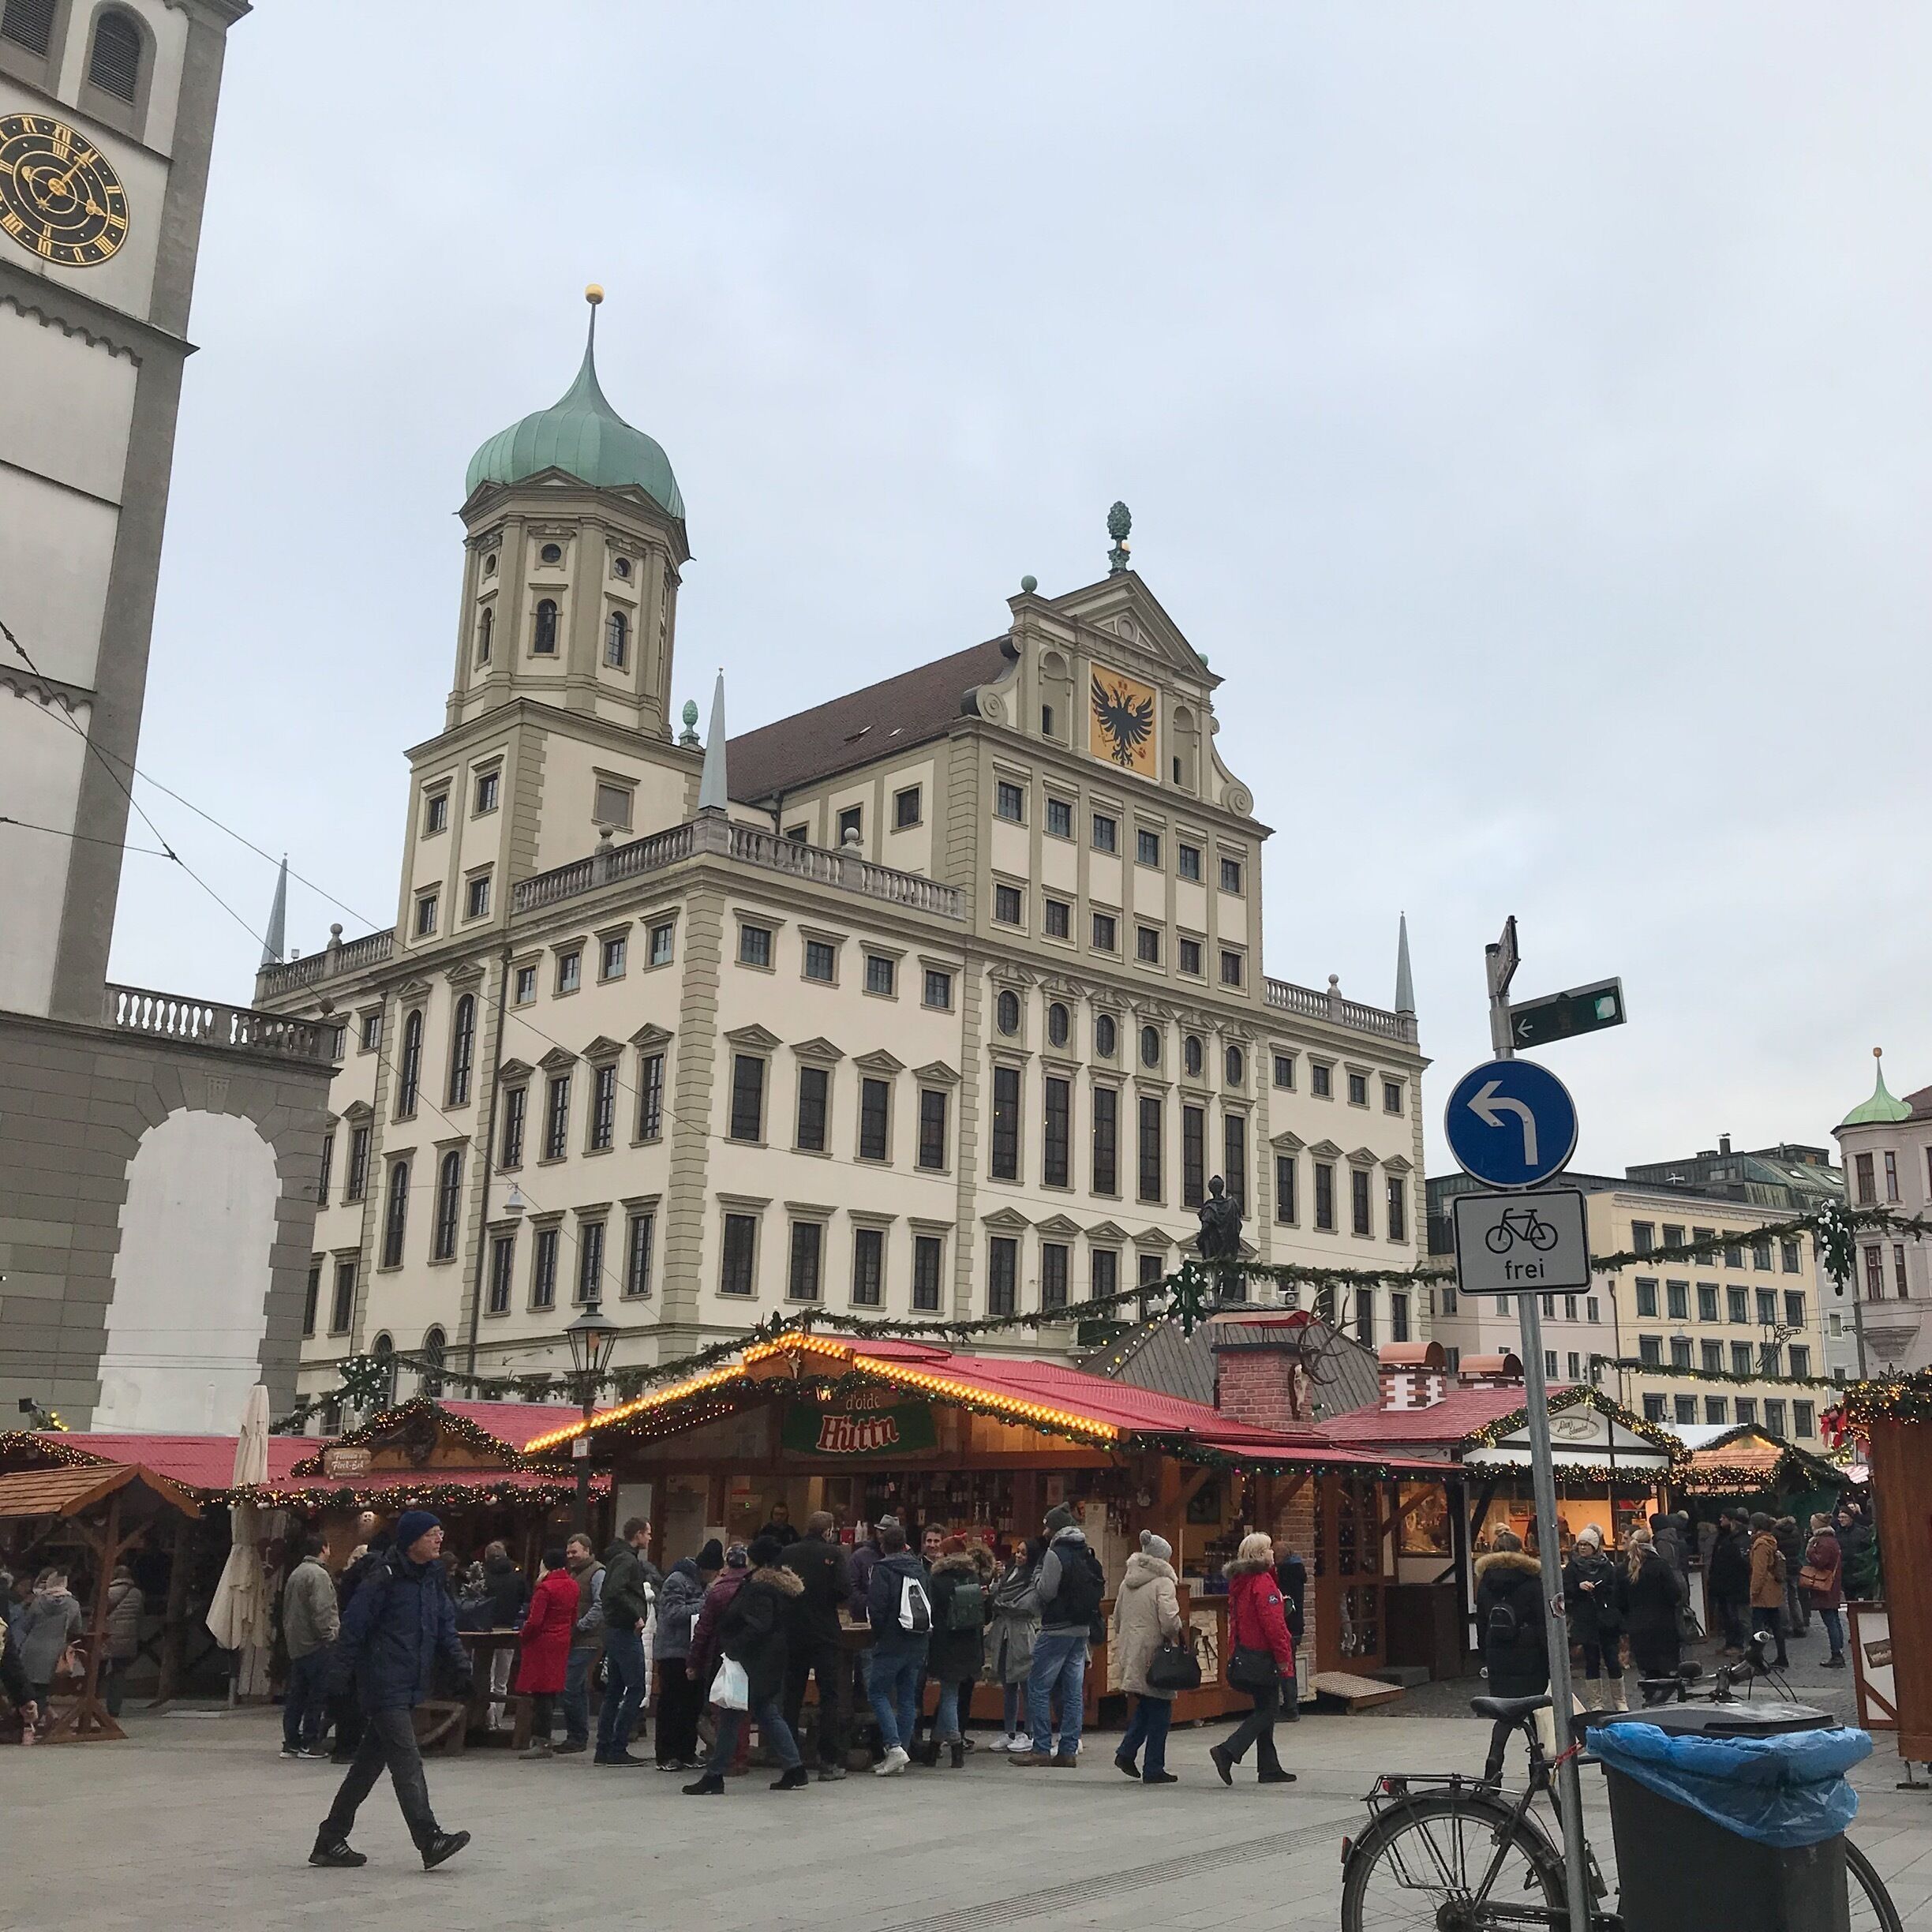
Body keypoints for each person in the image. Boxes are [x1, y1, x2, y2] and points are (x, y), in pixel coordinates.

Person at [311, 1510, 472, 1870]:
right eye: (432, 1533)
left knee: (367, 1766)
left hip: (408, 1681)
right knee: (406, 1760)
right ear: (412, 1540)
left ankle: (330, 1838)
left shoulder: (431, 1579)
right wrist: (339, 1675)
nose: (439, 1539)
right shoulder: (383, 1577)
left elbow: (444, 1626)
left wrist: (461, 1666)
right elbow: (354, 1627)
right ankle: (429, 1838)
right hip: (383, 1683)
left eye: (440, 1532)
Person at [683, 1535, 808, 1794]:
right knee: (766, 1712)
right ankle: (795, 1768)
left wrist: (734, 1646)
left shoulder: (761, 1587)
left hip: (753, 1661)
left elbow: (758, 1624)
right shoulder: (783, 1586)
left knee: (731, 1713)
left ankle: (715, 1775)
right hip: (769, 1660)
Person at [1013, 1503, 1102, 1768]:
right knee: (1073, 1691)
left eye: (1047, 1526)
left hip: (1056, 1628)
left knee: (1038, 1686)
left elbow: (1047, 1592)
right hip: (1081, 1629)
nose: (1044, 1531)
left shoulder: (1056, 1554)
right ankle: (1068, 1749)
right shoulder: (1085, 1551)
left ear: (1056, 1529)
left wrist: (1038, 1574)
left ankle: (1041, 1747)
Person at [1209, 1532, 1297, 1786]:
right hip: (1262, 1655)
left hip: (1245, 1653)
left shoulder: (1241, 1582)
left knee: (1264, 1708)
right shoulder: (1263, 1582)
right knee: (1268, 1710)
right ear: (1260, 1554)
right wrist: (1284, 1660)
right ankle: (1228, 1751)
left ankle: (1269, 1767)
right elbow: (1274, 1626)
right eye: (1269, 1549)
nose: (1273, 1553)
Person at [780, 1511, 854, 1781]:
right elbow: (844, 1590)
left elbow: (779, 1587)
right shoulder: (833, 1554)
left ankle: (788, 1756)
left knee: (792, 1694)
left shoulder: (787, 1553)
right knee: (830, 1696)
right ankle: (829, 1760)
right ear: (828, 1530)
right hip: (824, 1631)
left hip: (794, 1630)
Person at [1474, 1529, 1547, 1784]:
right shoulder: (1532, 1580)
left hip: (1498, 1655)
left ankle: (1494, 1760)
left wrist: (1486, 1656)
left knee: (1504, 1714)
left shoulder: (1486, 1581)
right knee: (1535, 1712)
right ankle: (1539, 1769)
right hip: (1529, 1655)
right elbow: (1542, 1622)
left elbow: (1482, 1622)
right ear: (1520, 1551)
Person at [1112, 1530, 1183, 1785]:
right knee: (1161, 1712)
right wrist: (1178, 1628)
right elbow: (1169, 1622)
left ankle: (1126, 1752)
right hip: (1154, 1654)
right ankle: (1153, 1767)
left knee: (1147, 1705)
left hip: (1132, 1651)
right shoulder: (1163, 1582)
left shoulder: (1126, 1581)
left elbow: (1117, 1618)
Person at [864, 1520, 932, 1775]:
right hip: (917, 1641)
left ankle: (894, 1748)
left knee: (877, 1692)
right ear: (905, 1545)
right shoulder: (918, 1568)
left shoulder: (883, 1569)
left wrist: (878, 1636)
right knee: (906, 1697)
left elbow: (878, 1608)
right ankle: (902, 1749)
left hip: (892, 1640)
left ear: (883, 1545)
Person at [654, 1539, 721, 1770]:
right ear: (706, 1569)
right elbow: (672, 1613)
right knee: (671, 1703)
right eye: (715, 1572)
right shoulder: (677, 1580)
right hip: (673, 1651)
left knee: (692, 1705)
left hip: (695, 1653)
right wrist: (704, 1605)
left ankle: (686, 1752)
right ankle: (666, 1754)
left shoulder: (706, 1587)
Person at [327, 1526, 390, 1762]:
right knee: (363, 1698)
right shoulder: (381, 1575)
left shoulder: (351, 1574)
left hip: (347, 1640)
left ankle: (345, 1745)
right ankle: (356, 1746)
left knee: (347, 1697)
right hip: (369, 1644)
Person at [924, 1537, 989, 1767]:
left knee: (950, 1694)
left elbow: (930, 1610)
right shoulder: (973, 1577)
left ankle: (955, 1744)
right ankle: (933, 1745)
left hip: (945, 1642)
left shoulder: (938, 1579)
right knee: (950, 1694)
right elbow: (984, 1613)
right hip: (969, 1643)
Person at [596, 1516, 654, 1766]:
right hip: (624, 1630)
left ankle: (604, 1747)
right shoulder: (628, 1560)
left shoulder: (618, 1557)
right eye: (648, 1533)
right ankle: (617, 1746)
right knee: (636, 1688)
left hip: (615, 1629)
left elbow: (608, 1591)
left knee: (615, 1690)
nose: (650, 1538)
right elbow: (613, 1591)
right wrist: (636, 1615)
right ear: (639, 1534)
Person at [511, 1547, 577, 1759]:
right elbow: (574, 1616)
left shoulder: (545, 1589)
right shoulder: (573, 1586)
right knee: (550, 1691)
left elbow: (535, 1620)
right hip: (561, 1640)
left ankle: (541, 1740)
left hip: (542, 1643)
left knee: (540, 1692)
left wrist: (523, 1635)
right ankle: (544, 1739)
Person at [282, 1535, 339, 1758]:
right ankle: (310, 1741)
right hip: (317, 1644)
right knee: (317, 1695)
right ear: (323, 1548)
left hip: (297, 1644)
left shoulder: (296, 1573)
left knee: (297, 1695)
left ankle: (291, 1742)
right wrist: (331, 1635)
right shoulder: (319, 1575)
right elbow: (323, 1610)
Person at [987, 1537, 1041, 1750]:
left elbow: (1025, 1605)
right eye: (1018, 1551)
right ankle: (1009, 1731)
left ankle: (1029, 1732)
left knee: (1026, 1684)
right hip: (1004, 1632)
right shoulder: (1008, 1573)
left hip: (1022, 1633)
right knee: (1008, 1684)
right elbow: (998, 1597)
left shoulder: (1033, 1579)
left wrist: (1001, 1601)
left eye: (1024, 1553)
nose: (1019, 1556)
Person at [1562, 1525, 1623, 1711]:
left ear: (1595, 1547)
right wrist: (1579, 1588)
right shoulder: (1573, 1567)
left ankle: (1619, 1699)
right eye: (1580, 1544)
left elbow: (1615, 1589)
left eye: (1586, 1545)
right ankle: (1596, 1703)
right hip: (1586, 1619)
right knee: (1591, 1660)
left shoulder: (1606, 1565)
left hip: (1606, 1618)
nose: (1582, 1548)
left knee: (1612, 1659)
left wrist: (1602, 1589)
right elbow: (1565, 1588)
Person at [555, 1532, 603, 1755]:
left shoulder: (597, 1573)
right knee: (577, 1687)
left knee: (570, 1685)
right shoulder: (573, 1573)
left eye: (574, 1552)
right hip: (575, 1638)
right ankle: (578, 1735)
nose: (571, 1556)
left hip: (587, 1638)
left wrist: (581, 1625)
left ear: (587, 1550)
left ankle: (576, 1736)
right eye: (568, 1552)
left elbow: (600, 1604)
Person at [13, 1567, 82, 1720]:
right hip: (54, 1652)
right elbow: (77, 1629)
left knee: (26, 1688)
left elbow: (26, 1626)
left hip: (31, 1649)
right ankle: (40, 1722)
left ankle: (27, 1722)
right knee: (42, 1690)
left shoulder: (38, 1601)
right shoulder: (73, 1605)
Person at [1619, 1523, 1683, 1685]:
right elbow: (1675, 1594)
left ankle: (1650, 1699)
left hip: (1638, 1625)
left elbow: (1618, 1600)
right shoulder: (1660, 1565)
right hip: (1662, 1625)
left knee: (1648, 1672)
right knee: (1665, 1672)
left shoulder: (1624, 1569)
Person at [1803, 1512, 1847, 1668]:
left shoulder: (1823, 1542)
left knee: (1831, 1621)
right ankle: (1838, 1651)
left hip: (1825, 1586)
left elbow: (1820, 1562)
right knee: (1834, 1619)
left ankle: (1836, 1654)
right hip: (1831, 1586)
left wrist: (1810, 1551)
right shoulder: (1831, 1540)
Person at [103, 1560, 144, 1721]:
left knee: (97, 1672)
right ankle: (114, 1709)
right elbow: (140, 1617)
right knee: (119, 1674)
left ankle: (92, 1704)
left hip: (107, 1637)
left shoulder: (108, 1592)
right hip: (128, 1638)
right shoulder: (137, 1593)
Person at [1747, 1511, 1789, 1668]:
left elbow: (1759, 1571)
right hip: (1774, 1589)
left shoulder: (1760, 1544)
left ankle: (1757, 1660)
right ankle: (1782, 1657)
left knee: (1758, 1627)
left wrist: (1754, 1591)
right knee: (1776, 1625)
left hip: (1764, 1591)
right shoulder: (1771, 1541)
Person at [1707, 1511, 1750, 1655]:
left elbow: (1741, 1562)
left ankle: (1737, 1644)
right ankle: (1730, 1642)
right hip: (1723, 1584)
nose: (1720, 1519)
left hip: (1734, 1584)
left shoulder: (1739, 1539)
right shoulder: (1724, 1537)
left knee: (1735, 1616)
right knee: (1726, 1615)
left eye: (1724, 1517)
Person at [1274, 1539, 1308, 1724]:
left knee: (1285, 1667)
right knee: (1289, 1665)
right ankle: (1290, 1705)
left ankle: (1290, 1707)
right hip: (1297, 1625)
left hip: (1287, 1625)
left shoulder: (1285, 1573)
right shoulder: (1298, 1569)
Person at [1776, 1515, 1809, 1638]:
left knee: (1783, 1598)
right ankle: (1799, 1626)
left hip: (1783, 1568)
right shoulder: (1796, 1532)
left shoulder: (1776, 1533)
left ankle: (1786, 1627)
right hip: (1795, 1567)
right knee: (1794, 1597)